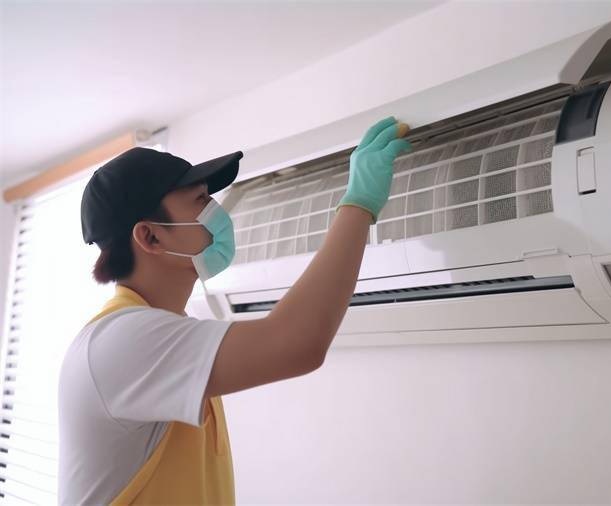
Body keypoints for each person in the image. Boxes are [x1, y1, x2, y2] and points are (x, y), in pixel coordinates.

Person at [57, 116, 411, 504]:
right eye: (200, 201)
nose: (216, 212)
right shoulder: (120, 342)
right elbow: (298, 342)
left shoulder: (164, 334)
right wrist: (358, 203)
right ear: (151, 236)